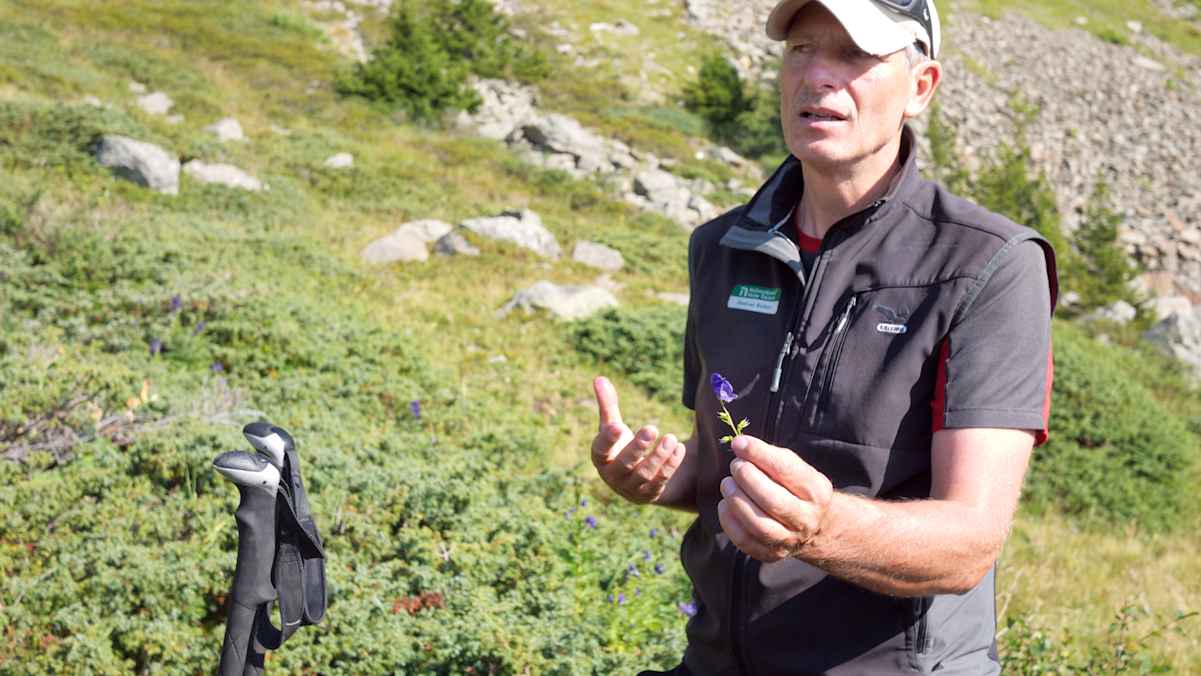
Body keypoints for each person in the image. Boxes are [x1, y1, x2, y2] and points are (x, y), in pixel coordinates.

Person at [590, 0, 1057, 673]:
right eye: (801, 48)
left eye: (855, 55)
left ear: (920, 88)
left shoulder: (986, 264)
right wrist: (660, 477)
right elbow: (716, 465)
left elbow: (970, 542)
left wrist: (821, 528)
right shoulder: (722, 246)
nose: (817, 77)